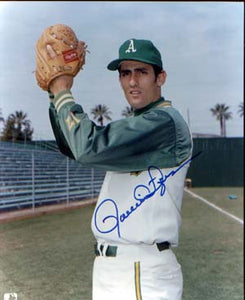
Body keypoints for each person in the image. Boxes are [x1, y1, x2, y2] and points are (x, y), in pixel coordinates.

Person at [48, 38, 192, 300]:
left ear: (161, 77)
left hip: (140, 269)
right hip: (113, 268)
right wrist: (53, 94)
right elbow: (73, 147)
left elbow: (88, 147)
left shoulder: (164, 123)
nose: (133, 82)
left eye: (142, 72)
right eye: (126, 73)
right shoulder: (139, 124)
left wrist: (62, 92)